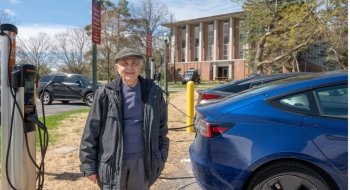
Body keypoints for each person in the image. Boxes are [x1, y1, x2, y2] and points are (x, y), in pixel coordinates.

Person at [79, 47, 169, 190]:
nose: (130, 68)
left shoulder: (153, 93)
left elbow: (162, 129)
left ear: (140, 66)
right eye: (124, 63)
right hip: (112, 163)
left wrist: (160, 158)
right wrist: (88, 166)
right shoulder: (105, 93)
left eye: (134, 63)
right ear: (117, 67)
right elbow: (91, 130)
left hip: (142, 162)